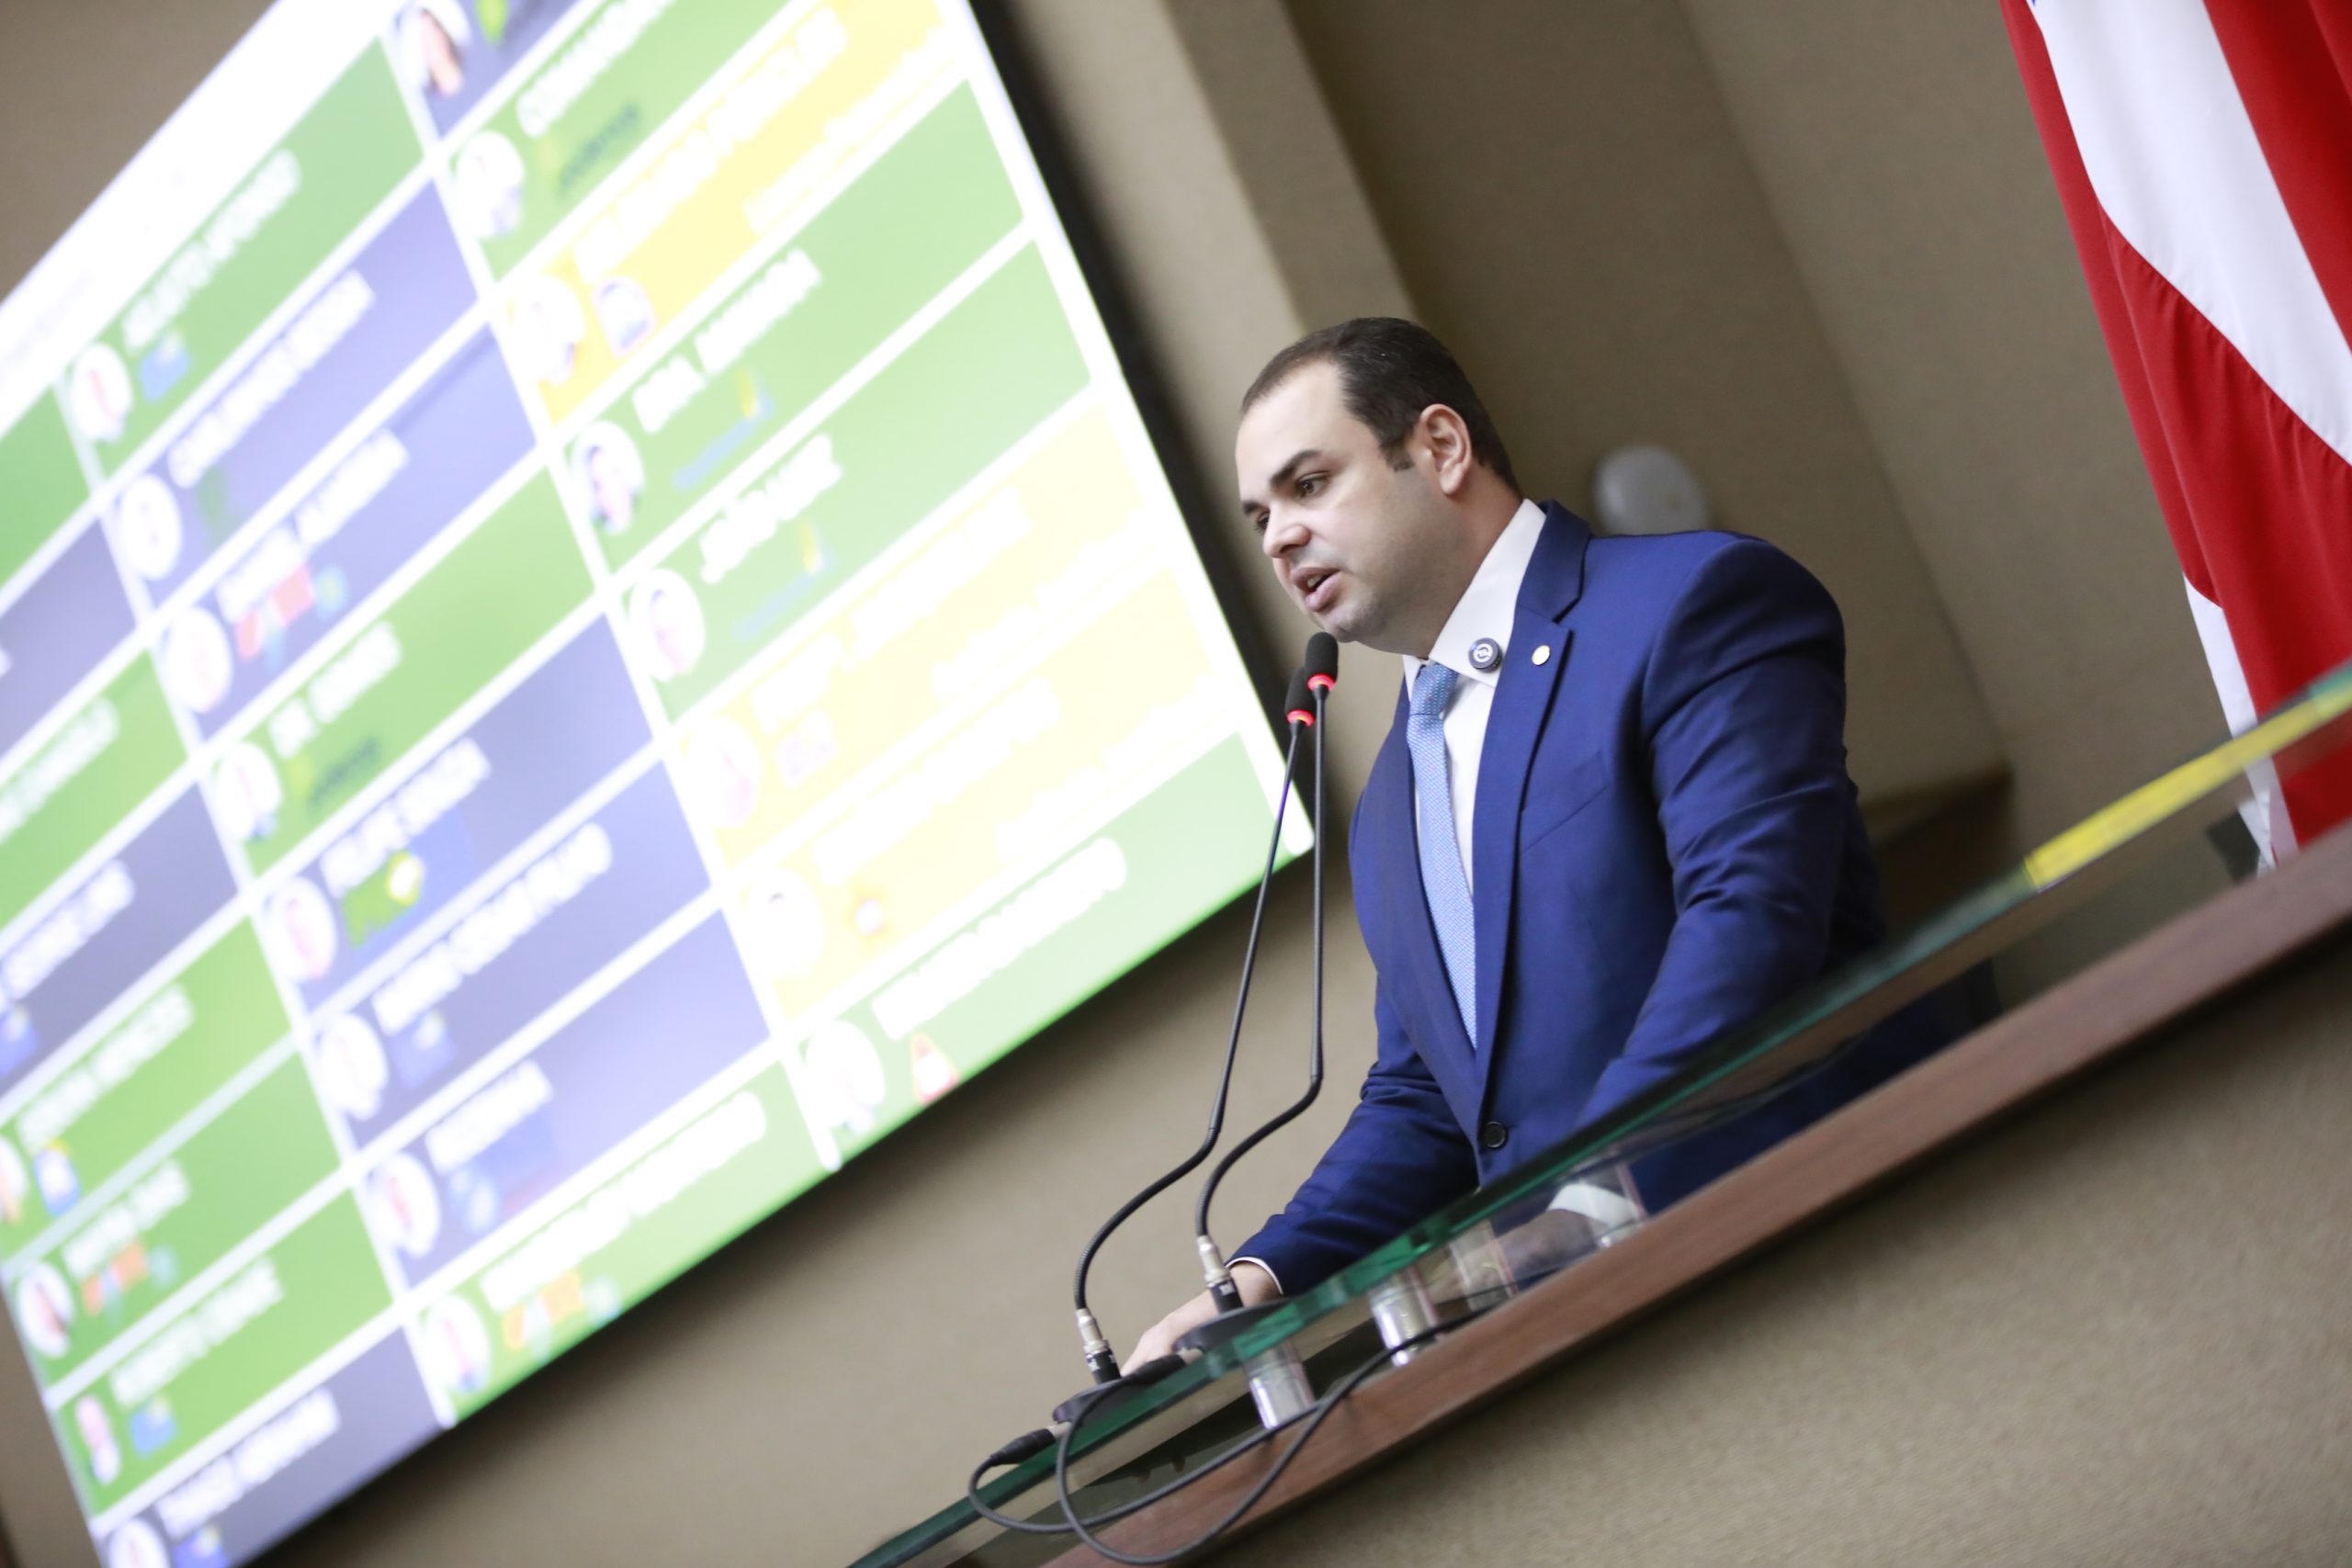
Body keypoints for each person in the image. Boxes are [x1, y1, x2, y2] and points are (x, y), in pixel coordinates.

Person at [1130, 319, 1947, 1364]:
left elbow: (1748, 917)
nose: (1278, 537)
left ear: (1439, 447)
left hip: (1834, 1261)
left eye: (1307, 485)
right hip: (1597, 1345)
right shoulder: (1391, 795)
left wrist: (1597, 1190)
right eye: (1258, 516)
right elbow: (1425, 1097)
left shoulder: (1689, 606)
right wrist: (1249, 1289)